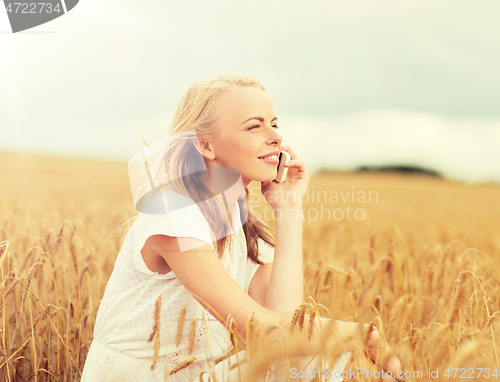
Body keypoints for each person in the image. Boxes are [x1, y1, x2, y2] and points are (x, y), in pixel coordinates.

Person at [81, 73, 402, 382]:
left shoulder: (244, 231)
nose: (275, 136)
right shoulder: (173, 215)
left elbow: (288, 329)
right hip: (140, 377)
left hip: (195, 375)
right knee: (341, 358)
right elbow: (258, 330)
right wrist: (358, 333)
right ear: (206, 145)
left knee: (340, 361)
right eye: (254, 127)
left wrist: (288, 208)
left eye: (275, 124)